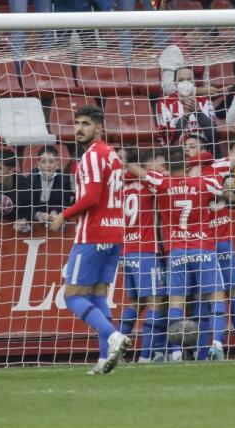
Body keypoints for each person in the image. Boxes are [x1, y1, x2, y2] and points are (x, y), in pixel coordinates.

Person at [49, 106, 131, 375]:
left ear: (98, 127)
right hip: (115, 232)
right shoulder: (113, 156)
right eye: (77, 123)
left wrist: (64, 214)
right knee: (97, 294)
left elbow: (92, 197)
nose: (79, 128)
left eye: (85, 123)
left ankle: (112, 335)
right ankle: (105, 358)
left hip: (92, 234)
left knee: (72, 296)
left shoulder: (92, 156)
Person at [128, 147, 226, 362]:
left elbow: (134, 168)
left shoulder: (161, 182)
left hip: (176, 250)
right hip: (203, 246)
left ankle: (176, 352)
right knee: (215, 297)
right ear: (187, 165)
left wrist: (157, 172)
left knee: (175, 302)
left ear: (166, 167)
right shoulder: (203, 181)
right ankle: (217, 345)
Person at [185, 122, 235, 360]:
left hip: (215, 241)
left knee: (230, 293)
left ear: (204, 149)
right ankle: (206, 351)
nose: (187, 150)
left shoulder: (210, 169)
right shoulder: (196, 173)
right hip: (201, 244)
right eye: (185, 146)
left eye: (192, 146)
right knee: (204, 297)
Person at [118, 148, 167, 364]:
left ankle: (115, 350)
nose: (163, 167)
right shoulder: (150, 182)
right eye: (160, 163)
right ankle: (146, 356)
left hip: (126, 251)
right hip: (146, 250)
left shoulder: (119, 184)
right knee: (156, 302)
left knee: (136, 303)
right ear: (146, 165)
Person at [156, 66, 218, 150]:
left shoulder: (204, 100)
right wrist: (185, 117)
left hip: (203, 153)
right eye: (181, 80)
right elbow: (167, 139)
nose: (185, 83)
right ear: (174, 82)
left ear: (194, 82)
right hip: (177, 155)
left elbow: (213, 135)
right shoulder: (164, 102)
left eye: (189, 80)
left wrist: (198, 112)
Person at [0, 149, 31, 234]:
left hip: (10, 230)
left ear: (11, 170)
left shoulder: (22, 183)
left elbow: (27, 211)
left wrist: (22, 221)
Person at [29, 145, 74, 227]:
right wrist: (38, 214)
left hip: (56, 218)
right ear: (38, 164)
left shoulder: (64, 179)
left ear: (57, 164)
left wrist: (55, 211)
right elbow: (26, 204)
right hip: (35, 220)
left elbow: (65, 203)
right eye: (43, 162)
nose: (47, 165)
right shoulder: (31, 177)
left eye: (51, 162)